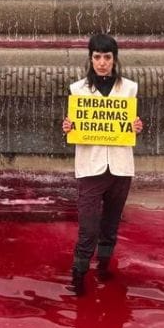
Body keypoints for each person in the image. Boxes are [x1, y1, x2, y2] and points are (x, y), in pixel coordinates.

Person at [61, 33, 143, 296]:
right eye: (97, 57)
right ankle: (78, 276)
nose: (102, 62)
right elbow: (72, 125)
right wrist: (67, 127)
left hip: (121, 168)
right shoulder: (77, 90)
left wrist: (137, 126)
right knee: (88, 228)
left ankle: (104, 268)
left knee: (110, 225)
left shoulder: (129, 89)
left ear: (114, 59)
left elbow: (133, 123)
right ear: (90, 59)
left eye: (107, 57)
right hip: (90, 168)